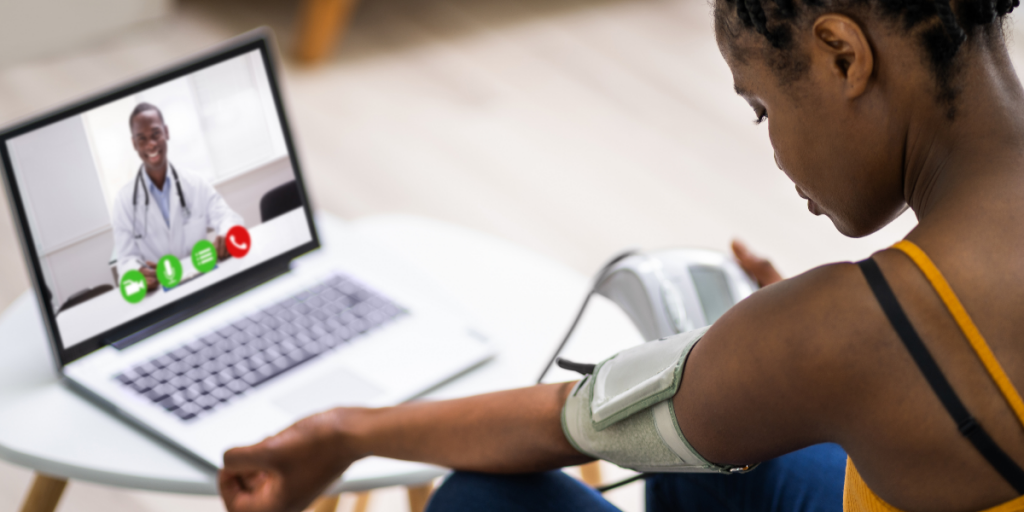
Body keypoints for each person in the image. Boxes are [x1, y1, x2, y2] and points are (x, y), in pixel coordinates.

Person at [218, 0, 1024, 507]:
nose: (775, 150)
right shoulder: (864, 331)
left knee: (480, 503)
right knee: (704, 453)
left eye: (761, 109)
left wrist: (343, 433)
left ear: (844, 56)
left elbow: (578, 423)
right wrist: (817, 357)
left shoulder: (854, 329)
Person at [111, 102, 243, 290]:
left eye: (156, 134)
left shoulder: (195, 183)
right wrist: (137, 272)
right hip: (162, 292)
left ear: (166, 132)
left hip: (205, 280)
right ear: (134, 144)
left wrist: (226, 234)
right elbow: (125, 259)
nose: (151, 144)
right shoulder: (124, 202)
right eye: (142, 139)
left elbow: (228, 218)